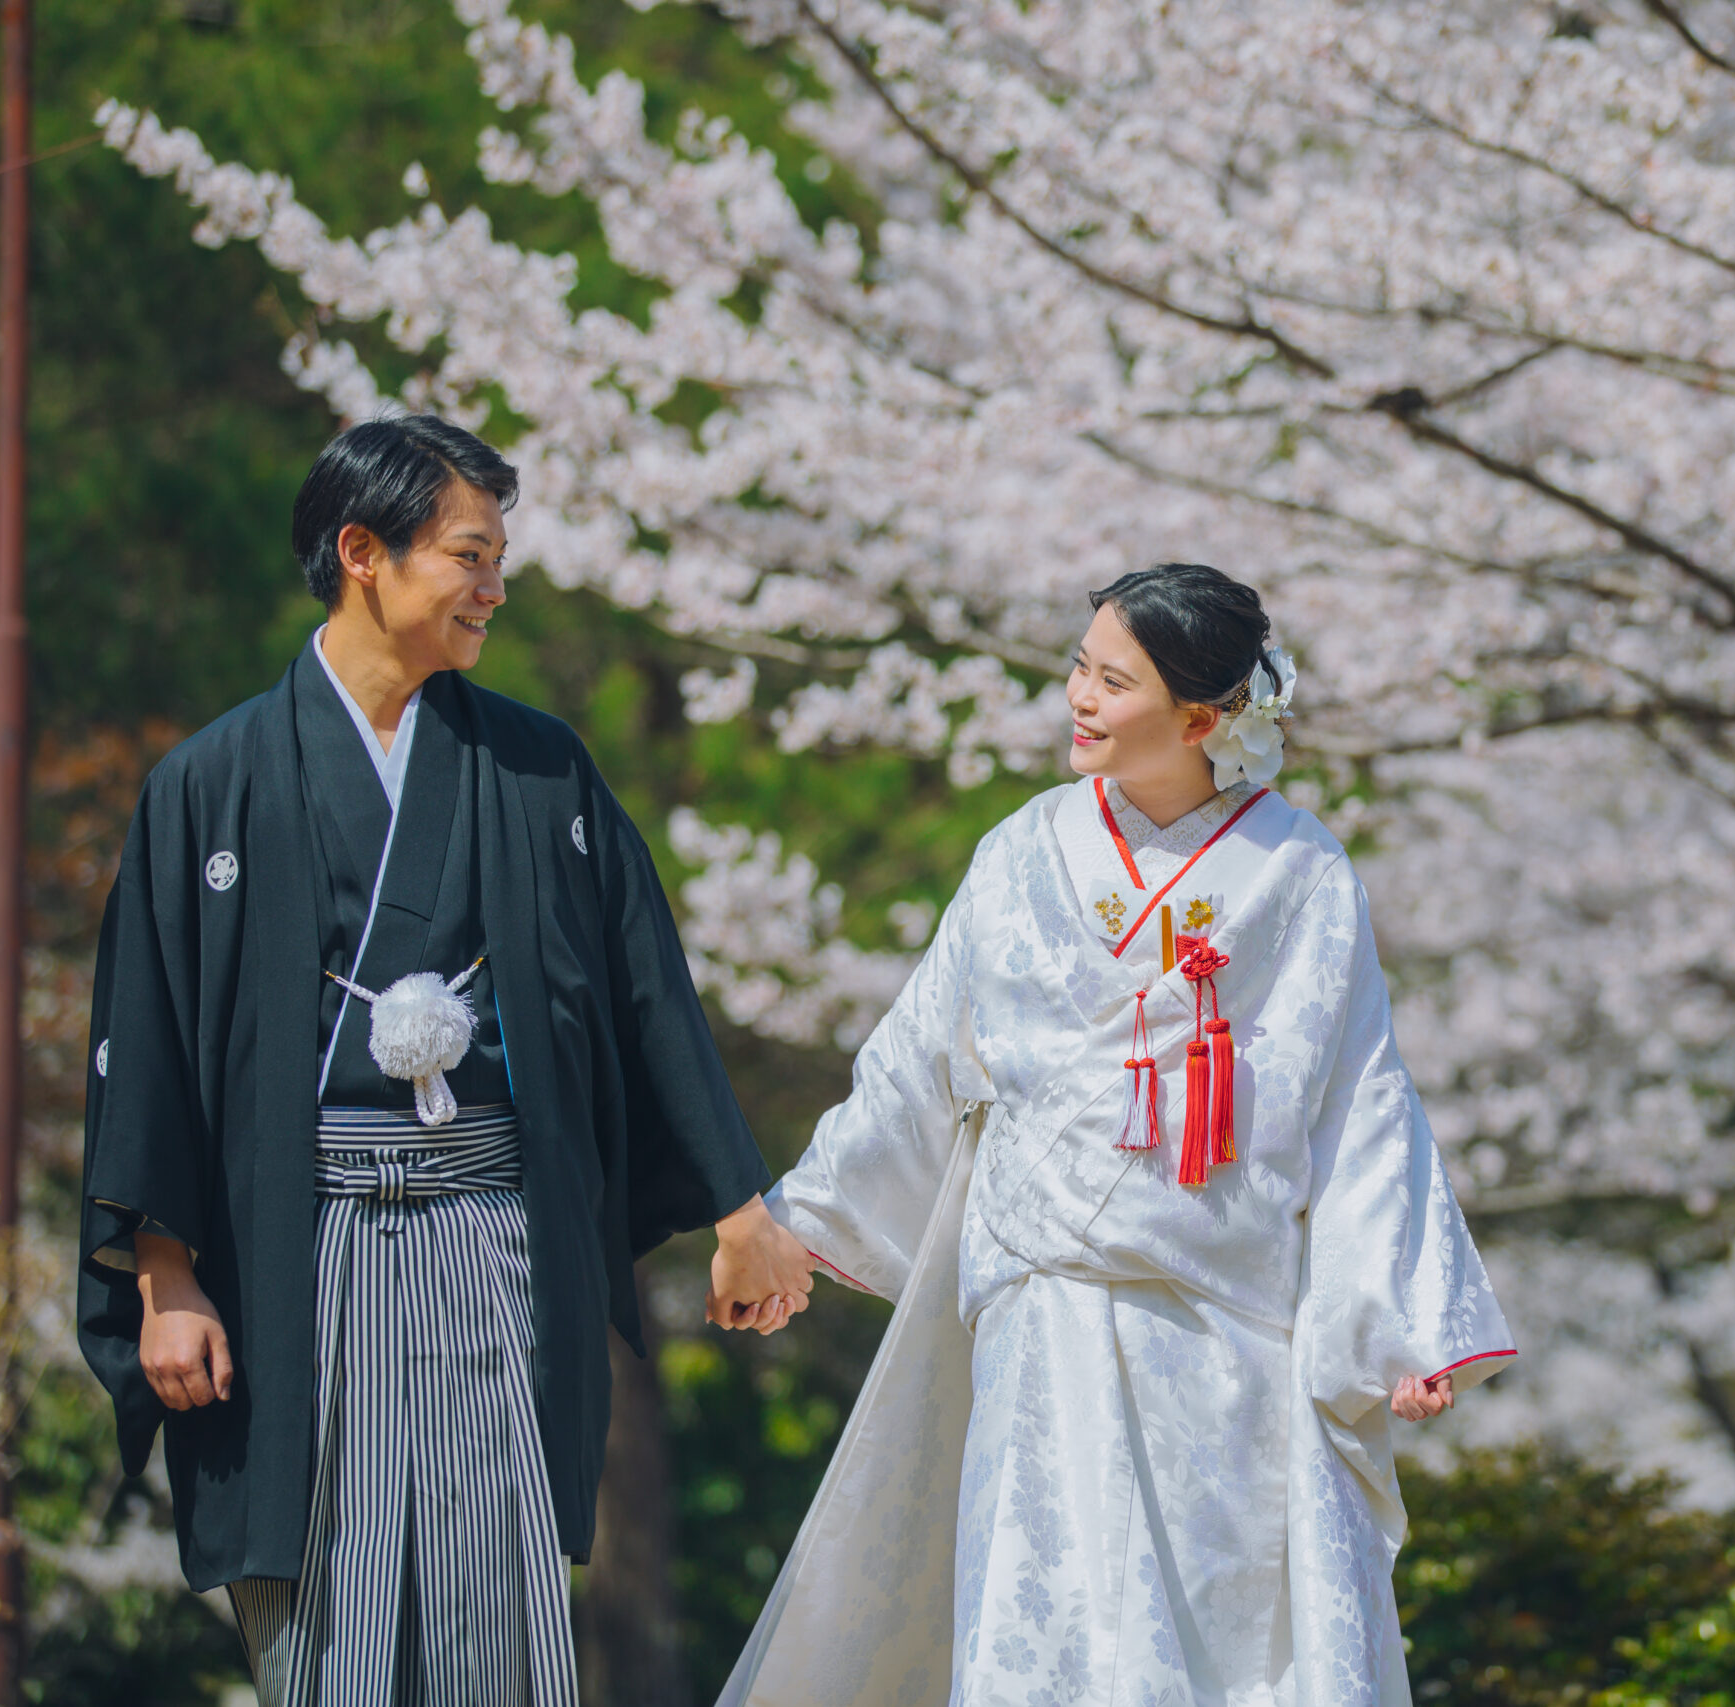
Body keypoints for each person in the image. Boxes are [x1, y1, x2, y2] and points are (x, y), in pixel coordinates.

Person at [75, 414, 813, 1706]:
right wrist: (165, 1268)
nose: (495, 586)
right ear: (363, 551)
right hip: (293, 1254)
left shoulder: (538, 770)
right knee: (321, 1620)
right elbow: (147, 1035)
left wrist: (741, 1204)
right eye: (470, 555)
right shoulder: (213, 782)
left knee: (496, 1616)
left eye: (499, 557)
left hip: (490, 1233)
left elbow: (647, 985)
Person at [719, 564, 1515, 1707]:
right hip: (1042, 1305)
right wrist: (796, 1226)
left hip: (1222, 1323)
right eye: (1081, 669)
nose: (1079, 699)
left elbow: (1359, 1100)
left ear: (1205, 717)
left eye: (1113, 681)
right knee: (1044, 1623)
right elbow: (916, 1057)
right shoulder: (1019, 851)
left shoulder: (1297, 873)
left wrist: (1395, 1321)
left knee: (1214, 1638)